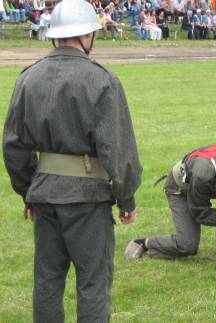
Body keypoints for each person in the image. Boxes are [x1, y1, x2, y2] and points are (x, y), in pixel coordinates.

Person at [2, 0, 143, 321]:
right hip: (87, 197)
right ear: (87, 35)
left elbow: (14, 146)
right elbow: (118, 149)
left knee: (48, 282)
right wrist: (127, 198)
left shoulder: (28, 78)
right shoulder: (101, 80)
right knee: (92, 284)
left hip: (45, 194)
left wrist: (28, 191)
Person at [125, 145, 216, 260]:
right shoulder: (204, 175)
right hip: (181, 189)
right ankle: (144, 243)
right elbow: (200, 211)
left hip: (212, 178)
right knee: (187, 245)